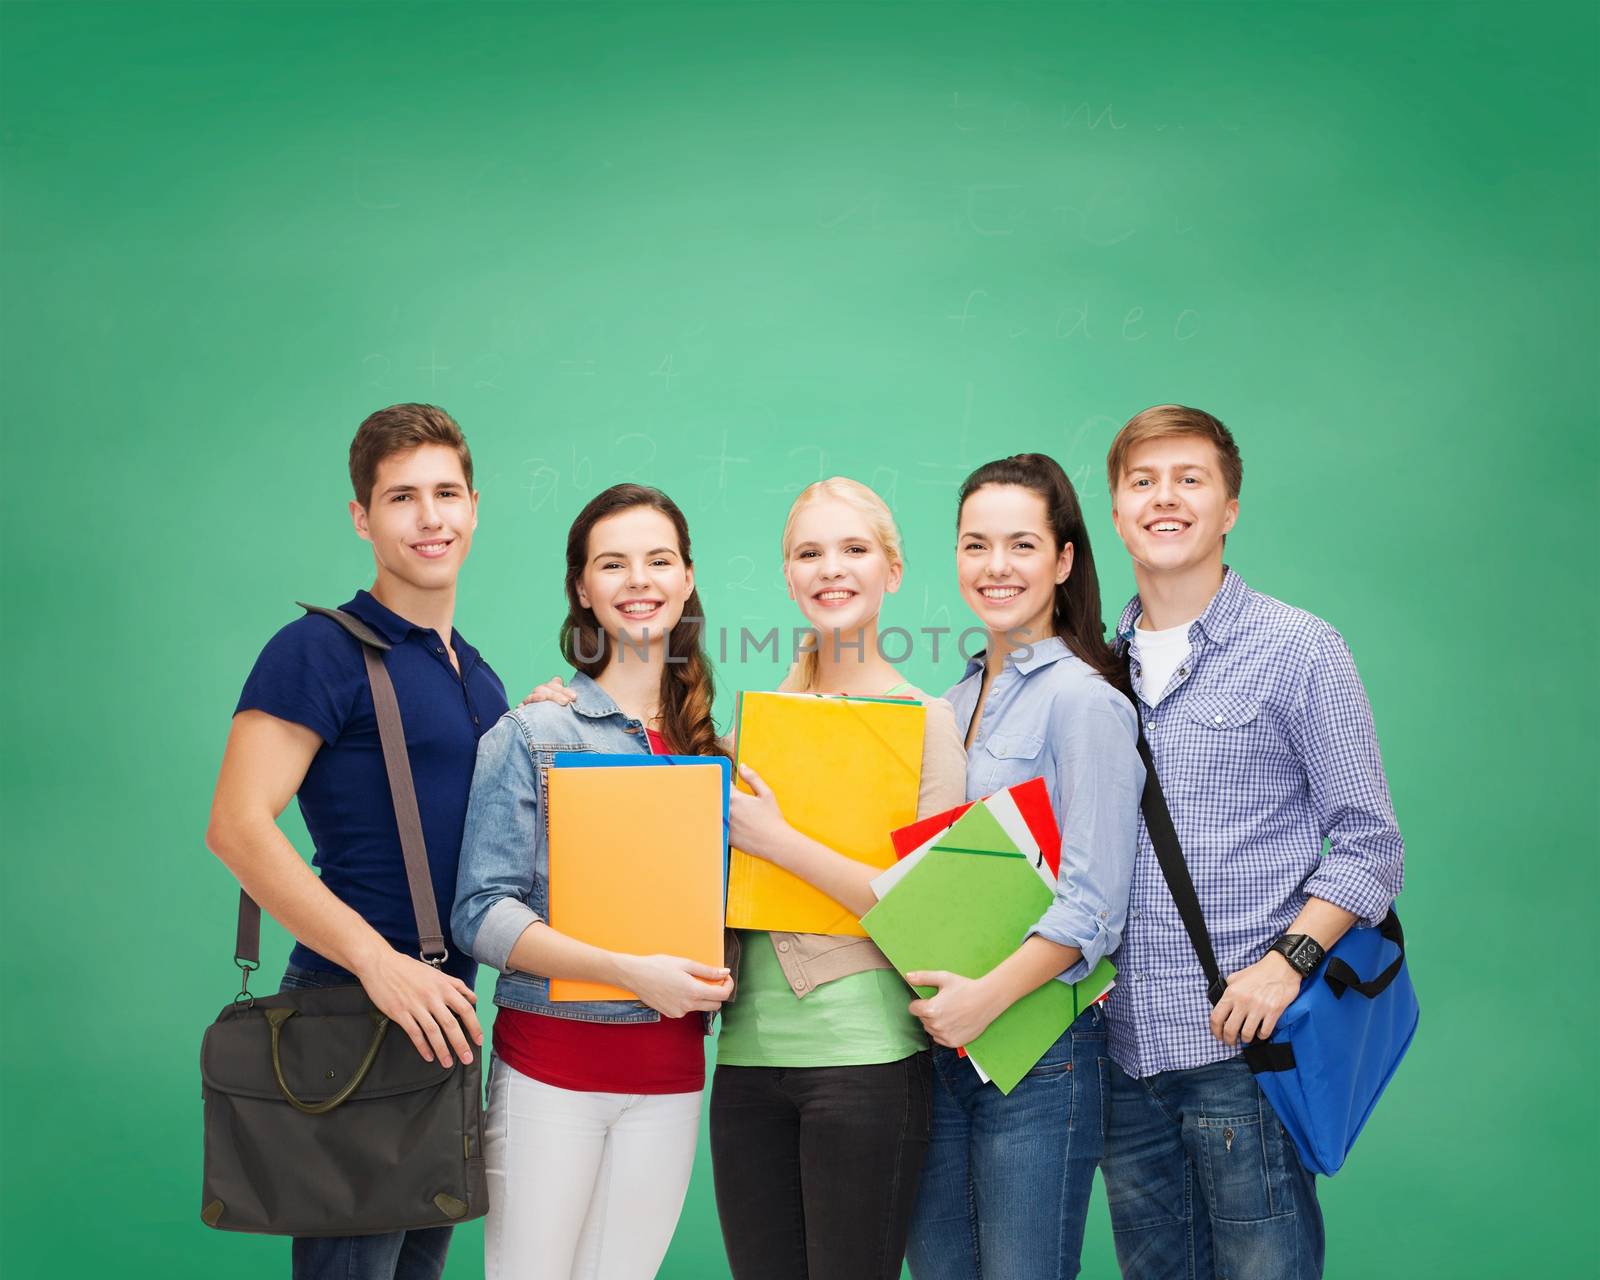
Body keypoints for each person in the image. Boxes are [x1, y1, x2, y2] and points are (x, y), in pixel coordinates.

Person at [1097, 405, 1406, 1280]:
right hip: (1124, 1056)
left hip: (1245, 1055)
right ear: (1117, 512)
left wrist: (1287, 962)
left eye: (1190, 480)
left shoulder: (1300, 650)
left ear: (1229, 507)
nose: (1166, 499)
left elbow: (1369, 843)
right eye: (1143, 482)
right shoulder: (1091, 667)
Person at [206, 403, 508, 1280]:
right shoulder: (318, 651)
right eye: (402, 497)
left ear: (476, 506)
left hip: (444, 1016)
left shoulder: (476, 673)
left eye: (446, 493)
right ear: (361, 518)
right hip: (354, 1006)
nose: (430, 517)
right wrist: (381, 964)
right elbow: (236, 825)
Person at [451, 483, 735, 1280]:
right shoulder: (534, 732)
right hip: (552, 1073)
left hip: (673, 1079)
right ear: (583, 587)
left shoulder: (720, 752)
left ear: (686, 580)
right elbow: (479, 913)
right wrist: (626, 973)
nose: (638, 580)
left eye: (658, 560)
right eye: (613, 564)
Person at [715, 477, 968, 1280]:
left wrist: (780, 841)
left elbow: (928, 912)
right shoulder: (749, 726)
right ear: (788, 576)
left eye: (855, 549)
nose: (832, 568)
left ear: (892, 571)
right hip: (745, 1059)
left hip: (865, 1059)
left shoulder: (930, 722)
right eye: (809, 552)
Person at [903, 453, 1144, 1280]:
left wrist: (985, 1001)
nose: (995, 567)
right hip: (938, 1046)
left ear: (1064, 560)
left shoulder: (1086, 702)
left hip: (1041, 1054)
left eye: (1021, 545)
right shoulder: (950, 702)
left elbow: (1094, 907)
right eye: (975, 545)